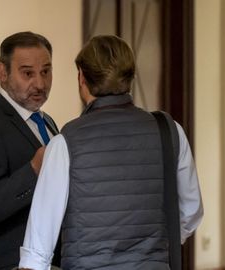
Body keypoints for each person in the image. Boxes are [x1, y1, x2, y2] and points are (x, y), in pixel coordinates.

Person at [19, 35, 203, 269]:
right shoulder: (169, 130)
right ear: (130, 78)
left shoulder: (65, 143)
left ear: (81, 79)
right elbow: (191, 211)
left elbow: (37, 251)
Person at [0, 31, 61, 270]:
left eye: (45, 71)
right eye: (28, 73)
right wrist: (32, 171)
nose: (39, 83)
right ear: (2, 72)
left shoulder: (47, 122)